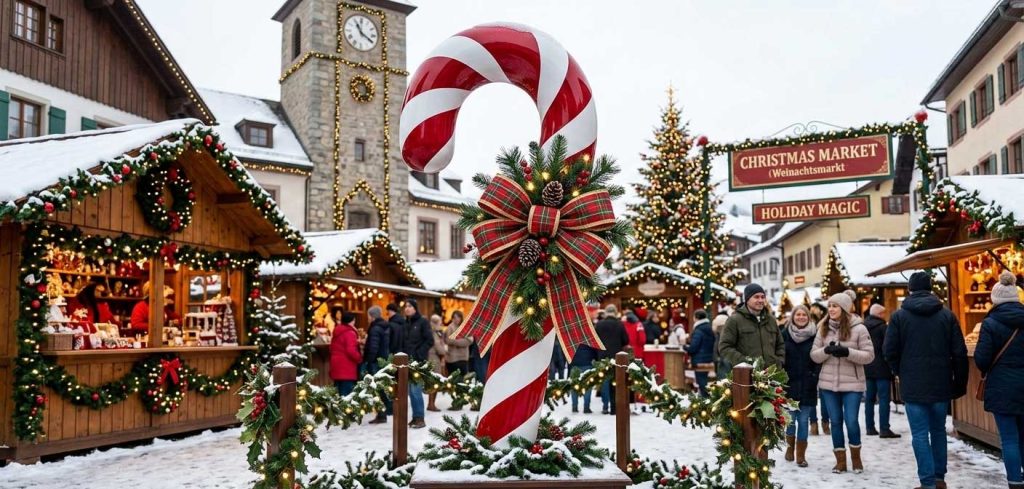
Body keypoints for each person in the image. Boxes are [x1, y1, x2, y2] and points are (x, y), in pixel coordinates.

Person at [885, 272, 968, 489]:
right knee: (938, 431)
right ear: (931, 289)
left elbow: (889, 351)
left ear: (910, 289)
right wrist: (959, 383)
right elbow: (959, 352)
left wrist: (899, 371)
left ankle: (927, 482)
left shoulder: (898, 317)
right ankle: (939, 478)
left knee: (920, 434)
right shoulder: (947, 316)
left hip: (913, 383)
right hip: (941, 382)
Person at [811, 292, 874, 474]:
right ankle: (840, 461)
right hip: (828, 385)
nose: (830, 309)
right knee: (836, 422)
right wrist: (827, 350)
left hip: (852, 384)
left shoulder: (859, 329)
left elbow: (870, 356)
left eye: (835, 306)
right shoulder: (822, 327)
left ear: (844, 309)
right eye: (829, 306)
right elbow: (814, 355)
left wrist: (848, 352)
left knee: (851, 421)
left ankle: (856, 458)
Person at [976, 271, 1024, 489]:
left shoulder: (990, 323)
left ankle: (1015, 481)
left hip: (1002, 388)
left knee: (1009, 439)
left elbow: (982, 359)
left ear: (995, 299)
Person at [781, 304, 818, 468]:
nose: (801, 317)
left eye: (804, 315)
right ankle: (790, 448)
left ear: (808, 317)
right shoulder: (784, 334)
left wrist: (814, 375)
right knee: (790, 420)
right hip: (789, 384)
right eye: (798, 315)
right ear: (793, 317)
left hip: (808, 384)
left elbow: (819, 357)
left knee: (803, 421)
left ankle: (801, 455)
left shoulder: (815, 335)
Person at [719, 283, 784, 368]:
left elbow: (780, 344)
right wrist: (745, 363)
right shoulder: (735, 320)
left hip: (771, 375)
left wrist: (778, 362)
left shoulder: (771, 320)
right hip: (745, 376)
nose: (760, 300)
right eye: (756, 297)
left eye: (762, 297)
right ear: (747, 299)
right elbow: (725, 347)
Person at [863, 303, 899, 439]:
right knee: (884, 399)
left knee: (869, 399)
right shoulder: (884, 328)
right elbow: (888, 348)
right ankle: (884, 428)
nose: (885, 315)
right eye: (883, 313)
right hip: (882, 368)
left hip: (867, 367)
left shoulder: (863, 327)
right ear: (879, 314)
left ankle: (870, 427)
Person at [402, 299, 434, 428]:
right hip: (407, 362)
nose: (407, 308)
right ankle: (415, 417)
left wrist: (419, 354)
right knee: (410, 391)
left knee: (415, 390)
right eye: (405, 306)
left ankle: (420, 418)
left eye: (409, 306)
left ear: (415, 308)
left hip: (418, 362)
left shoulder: (422, 322)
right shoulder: (406, 323)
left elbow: (429, 340)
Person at [595, 304, 630, 414]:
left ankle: (605, 406)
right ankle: (614, 407)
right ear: (615, 312)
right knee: (615, 382)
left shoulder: (599, 324)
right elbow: (626, 340)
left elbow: (595, 340)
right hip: (617, 357)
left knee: (605, 381)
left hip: (602, 356)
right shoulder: (619, 324)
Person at [364, 306, 391, 424]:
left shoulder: (375, 329)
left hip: (375, 361)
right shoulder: (384, 326)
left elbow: (373, 347)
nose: (367, 318)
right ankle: (382, 413)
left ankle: (382, 414)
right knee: (380, 388)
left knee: (377, 389)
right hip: (382, 360)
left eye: (368, 315)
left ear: (372, 316)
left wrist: (369, 360)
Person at [808, 301, 830, 436]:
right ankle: (818, 424)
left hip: (817, 361)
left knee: (820, 395)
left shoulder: (817, 325)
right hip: (817, 361)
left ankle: (819, 424)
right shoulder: (823, 325)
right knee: (818, 396)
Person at [445, 311, 473, 410]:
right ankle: (457, 402)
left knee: (463, 381)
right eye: (455, 317)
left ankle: (462, 400)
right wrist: (461, 341)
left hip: (464, 358)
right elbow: (448, 340)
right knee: (455, 382)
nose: (456, 319)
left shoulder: (466, 327)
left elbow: (470, 341)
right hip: (453, 358)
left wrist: (456, 341)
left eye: (458, 317)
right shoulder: (450, 328)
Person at [329, 312, 362, 396]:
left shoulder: (337, 330)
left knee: (338, 394)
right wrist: (359, 358)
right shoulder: (350, 333)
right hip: (347, 368)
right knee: (347, 396)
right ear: (351, 321)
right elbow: (351, 350)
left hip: (337, 366)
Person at [685, 310, 715, 396]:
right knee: (704, 382)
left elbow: (694, 347)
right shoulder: (709, 328)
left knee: (701, 383)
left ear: (696, 317)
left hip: (699, 360)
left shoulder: (698, 330)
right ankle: (707, 399)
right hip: (708, 358)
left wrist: (686, 348)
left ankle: (706, 400)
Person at [569, 343, 599, 413]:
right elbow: (595, 351)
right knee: (587, 386)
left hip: (574, 364)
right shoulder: (588, 338)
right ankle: (586, 407)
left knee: (574, 386)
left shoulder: (572, 337)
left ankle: (574, 407)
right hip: (587, 363)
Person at [426, 314, 447, 412]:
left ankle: (432, 403)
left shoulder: (436, 332)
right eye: (439, 322)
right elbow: (438, 347)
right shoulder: (433, 333)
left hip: (435, 358)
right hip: (433, 358)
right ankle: (431, 404)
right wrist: (444, 351)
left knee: (435, 381)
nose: (441, 324)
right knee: (434, 381)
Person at [712, 312, 730, 381]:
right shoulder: (727, 331)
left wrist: (716, 359)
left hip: (723, 361)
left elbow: (717, 348)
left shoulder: (720, 333)